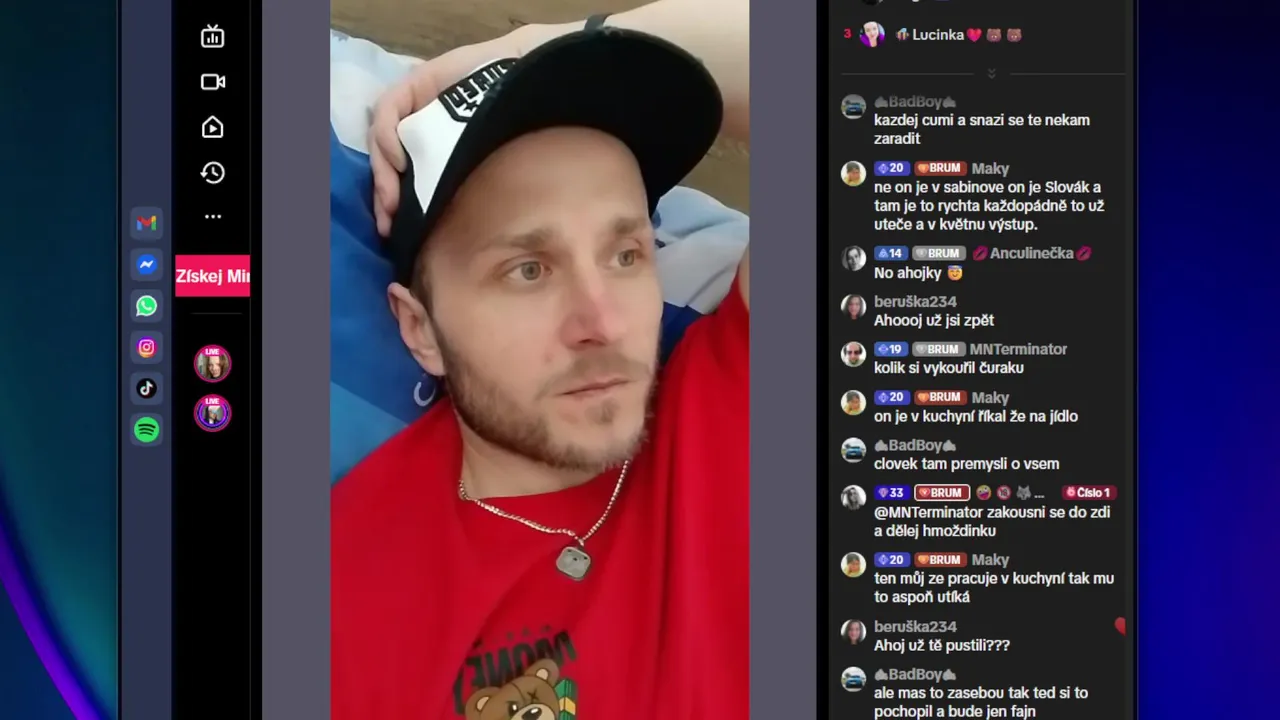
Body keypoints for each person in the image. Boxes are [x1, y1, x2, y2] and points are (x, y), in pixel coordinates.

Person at [335, 1, 751, 718]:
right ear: (421, 329)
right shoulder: (341, 597)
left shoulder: (733, 392)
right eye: (528, 270)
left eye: (626, 255)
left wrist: (546, 46)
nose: (603, 322)